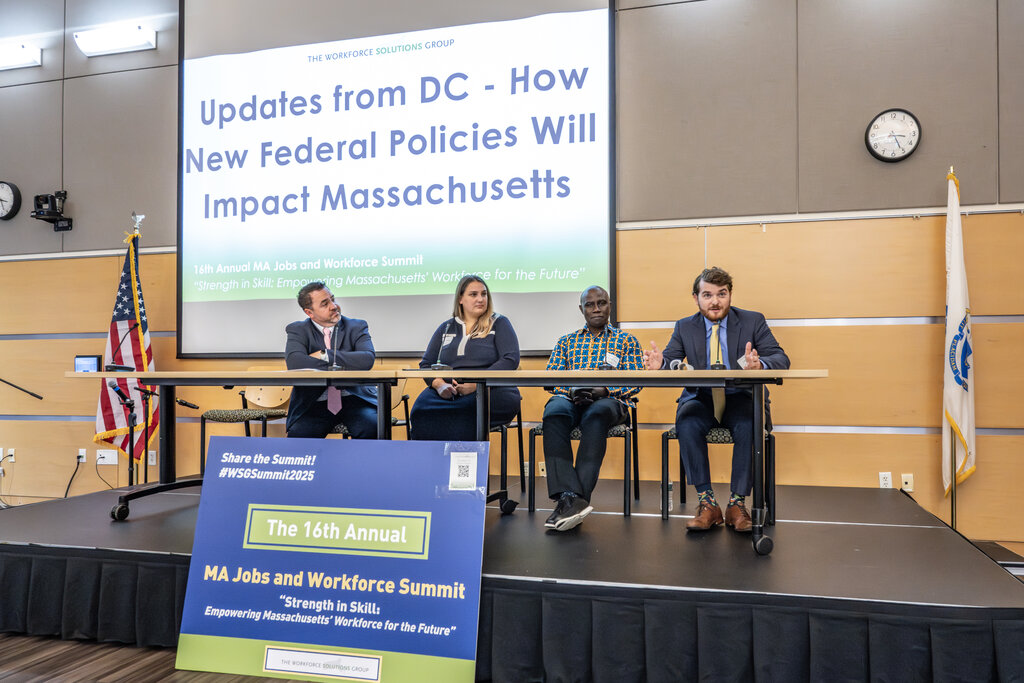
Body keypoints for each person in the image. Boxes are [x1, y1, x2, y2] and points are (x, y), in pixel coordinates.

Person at [644, 266, 790, 532]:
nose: (715, 301)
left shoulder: (752, 321)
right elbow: (671, 360)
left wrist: (760, 365)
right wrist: (661, 364)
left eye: (721, 294)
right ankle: (708, 504)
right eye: (707, 295)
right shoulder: (684, 326)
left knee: (750, 422)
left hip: (741, 396)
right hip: (701, 397)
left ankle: (737, 504)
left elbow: (781, 359)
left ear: (730, 295)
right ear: (696, 298)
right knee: (687, 419)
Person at [541, 285, 644, 532]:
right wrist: (573, 391)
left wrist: (605, 390)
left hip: (610, 402)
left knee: (596, 414)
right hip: (570, 399)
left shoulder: (626, 340)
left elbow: (637, 380)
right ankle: (569, 496)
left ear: (610, 306)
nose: (596, 308)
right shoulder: (566, 341)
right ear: (582, 309)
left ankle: (574, 501)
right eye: (590, 304)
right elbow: (550, 380)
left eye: (602, 303)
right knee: (553, 412)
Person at [410, 275, 521, 441]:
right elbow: (426, 364)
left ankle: (464, 459)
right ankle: (432, 458)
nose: (480, 299)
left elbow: (510, 359)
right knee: (420, 410)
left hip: (492, 389)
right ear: (460, 299)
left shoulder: (499, 323)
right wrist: (439, 385)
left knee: (466, 413)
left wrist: (477, 384)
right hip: (450, 391)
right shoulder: (447, 327)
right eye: (473, 294)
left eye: (484, 294)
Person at [284, 281, 378, 439]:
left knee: (373, 427)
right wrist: (346, 362)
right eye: (325, 303)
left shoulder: (356, 326)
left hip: (355, 399)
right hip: (314, 402)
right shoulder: (298, 330)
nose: (334, 306)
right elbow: (295, 363)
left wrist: (325, 354)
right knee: (299, 434)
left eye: (332, 299)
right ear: (309, 312)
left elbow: (366, 359)